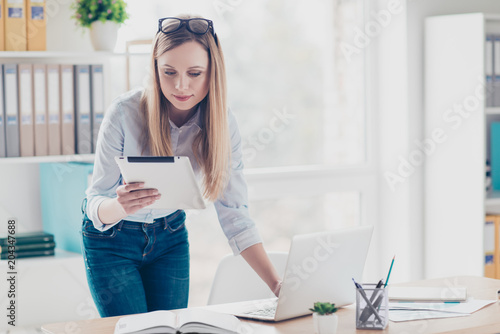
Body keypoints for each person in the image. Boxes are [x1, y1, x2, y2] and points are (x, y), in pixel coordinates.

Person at [82, 15, 282, 317]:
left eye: (195, 73)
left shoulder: (223, 125)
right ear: (155, 69)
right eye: (169, 72)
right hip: (111, 241)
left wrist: (278, 285)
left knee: (170, 326)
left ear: (212, 72)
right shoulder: (124, 113)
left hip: (169, 237)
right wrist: (120, 206)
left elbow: (236, 217)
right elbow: (94, 202)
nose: (181, 85)